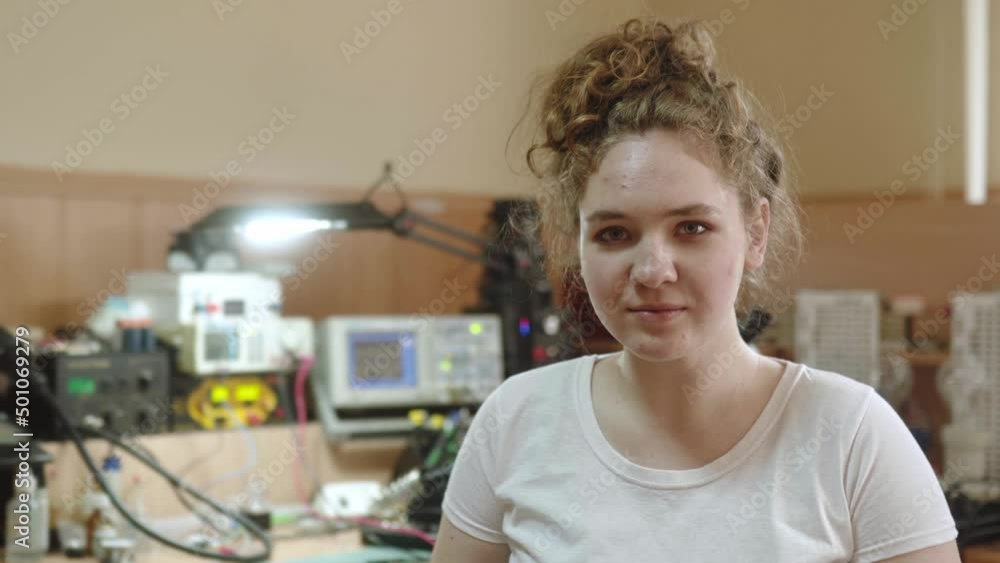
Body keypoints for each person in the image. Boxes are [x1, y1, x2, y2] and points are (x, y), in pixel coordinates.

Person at [430, 18, 959, 563]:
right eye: (615, 234)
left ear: (756, 232)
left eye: (692, 228)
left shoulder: (853, 436)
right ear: (576, 244)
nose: (653, 271)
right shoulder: (516, 421)